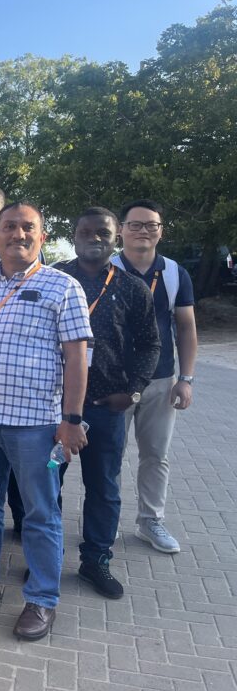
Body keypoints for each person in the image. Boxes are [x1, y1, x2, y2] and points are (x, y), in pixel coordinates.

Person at [0, 201, 91, 641]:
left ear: (41, 237)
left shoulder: (63, 287)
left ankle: (43, 598)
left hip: (36, 426)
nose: (18, 234)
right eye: (10, 227)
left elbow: (77, 359)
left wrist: (72, 420)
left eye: (28, 228)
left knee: (40, 513)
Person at [53, 207, 159, 599]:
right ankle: (46, 556)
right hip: (58, 409)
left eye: (103, 232)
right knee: (49, 481)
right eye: (86, 230)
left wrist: (133, 391)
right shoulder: (56, 279)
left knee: (104, 488)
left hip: (106, 408)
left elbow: (151, 343)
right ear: (74, 233)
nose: (94, 237)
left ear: (116, 238)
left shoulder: (132, 288)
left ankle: (95, 560)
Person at [112, 199, 198, 554]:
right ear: (121, 230)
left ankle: (151, 521)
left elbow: (186, 328)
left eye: (151, 225)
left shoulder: (175, 273)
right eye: (135, 224)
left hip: (161, 381)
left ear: (161, 231)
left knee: (155, 455)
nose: (143, 230)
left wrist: (186, 378)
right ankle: (104, 521)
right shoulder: (106, 269)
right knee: (108, 455)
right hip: (113, 383)